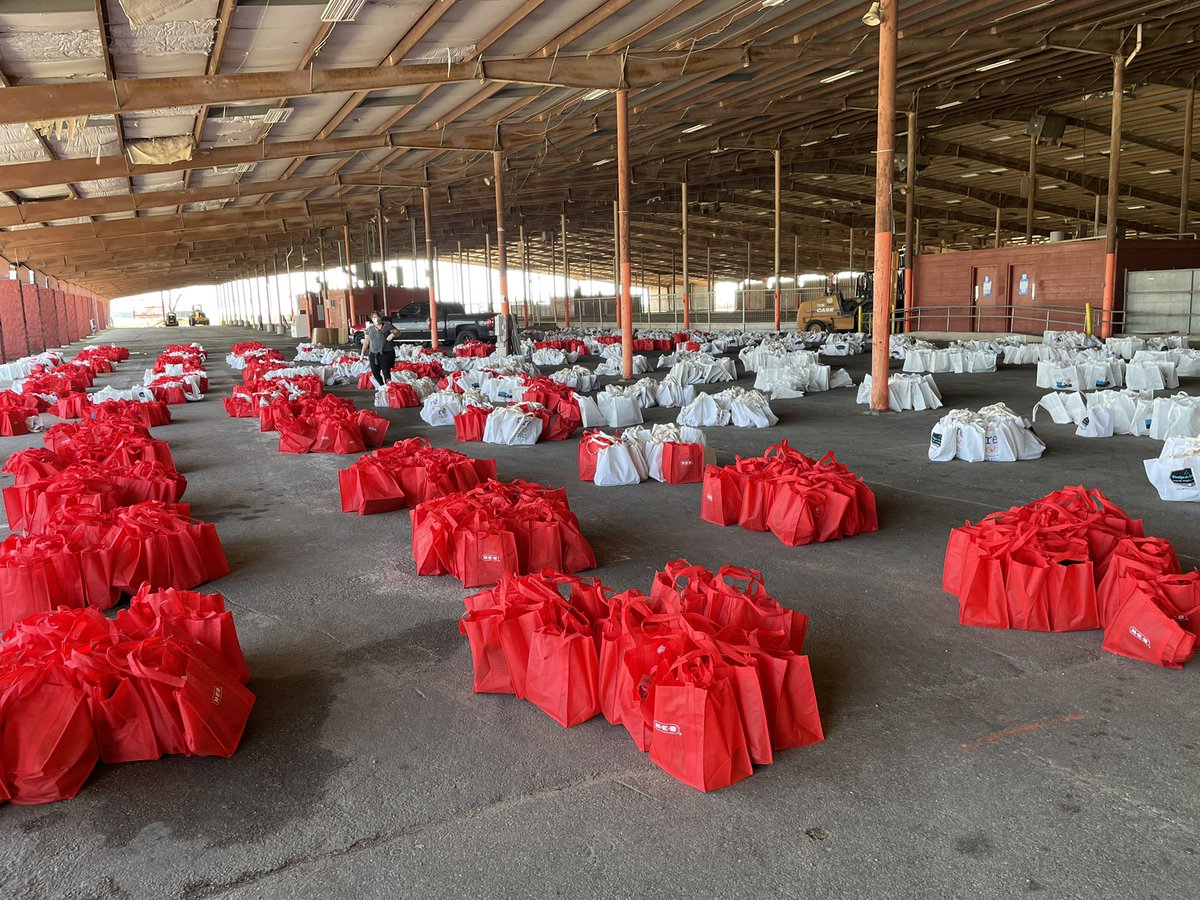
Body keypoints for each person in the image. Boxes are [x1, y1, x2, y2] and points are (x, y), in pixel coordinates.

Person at [360, 311, 398, 385]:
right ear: (372, 319)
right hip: (373, 354)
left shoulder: (387, 326)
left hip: (386, 353)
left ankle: (388, 387)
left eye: (377, 317)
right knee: (375, 372)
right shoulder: (369, 329)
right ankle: (382, 385)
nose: (376, 319)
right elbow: (366, 342)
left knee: (386, 372)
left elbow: (398, 332)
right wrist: (362, 353)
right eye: (374, 317)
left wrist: (393, 334)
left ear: (380, 317)